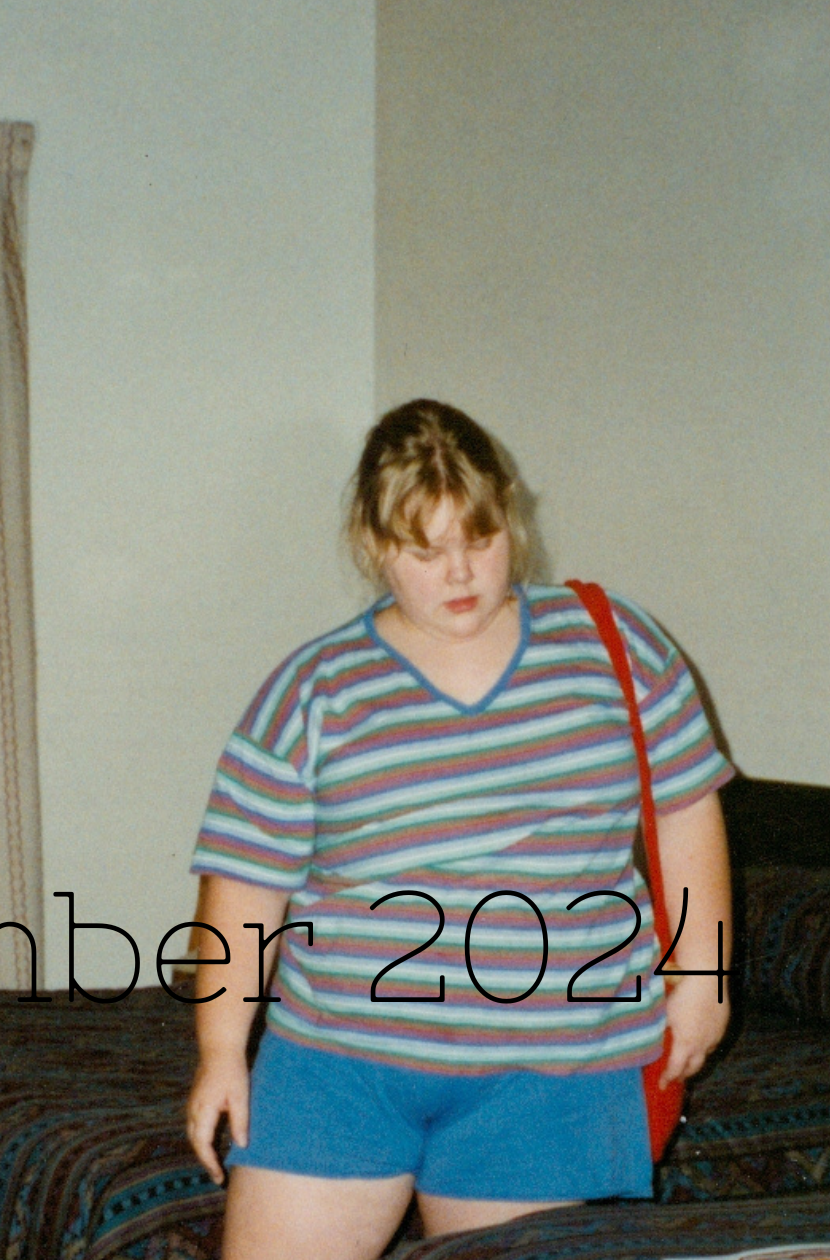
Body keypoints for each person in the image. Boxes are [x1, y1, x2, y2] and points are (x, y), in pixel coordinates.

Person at [185, 399, 733, 1260]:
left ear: (508, 514)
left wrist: (702, 977)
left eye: (478, 538)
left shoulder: (613, 644)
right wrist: (221, 1049)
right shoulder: (314, 690)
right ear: (373, 545)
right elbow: (245, 883)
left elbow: (686, 813)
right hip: (339, 1065)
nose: (460, 573)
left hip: (550, 1073)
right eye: (424, 549)